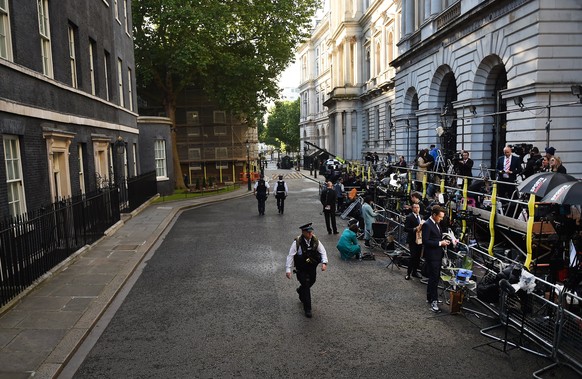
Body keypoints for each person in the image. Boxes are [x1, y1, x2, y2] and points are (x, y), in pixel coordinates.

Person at [285, 223, 328, 318]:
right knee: (306, 285)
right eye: (308, 232)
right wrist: (288, 270)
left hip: (311, 267)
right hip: (301, 269)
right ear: (303, 232)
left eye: (311, 232)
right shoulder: (297, 242)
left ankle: (300, 290)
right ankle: (307, 309)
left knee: (312, 281)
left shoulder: (315, 240)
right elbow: (290, 256)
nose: (310, 234)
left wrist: (324, 263)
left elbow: (322, 251)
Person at [422, 205, 450, 312]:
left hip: (437, 255)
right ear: (434, 215)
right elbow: (426, 241)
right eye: (440, 217)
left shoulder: (436, 224)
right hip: (432, 256)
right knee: (434, 279)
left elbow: (436, 237)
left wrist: (444, 240)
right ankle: (434, 300)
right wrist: (440, 243)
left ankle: (430, 297)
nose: (441, 219)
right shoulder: (427, 225)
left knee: (434, 278)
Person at [404, 203, 424, 280]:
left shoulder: (421, 216)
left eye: (418, 207)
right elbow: (405, 229)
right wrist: (414, 229)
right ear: (412, 209)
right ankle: (408, 273)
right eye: (415, 207)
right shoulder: (409, 217)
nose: (417, 209)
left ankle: (415, 272)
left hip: (420, 239)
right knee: (413, 256)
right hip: (412, 240)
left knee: (418, 257)